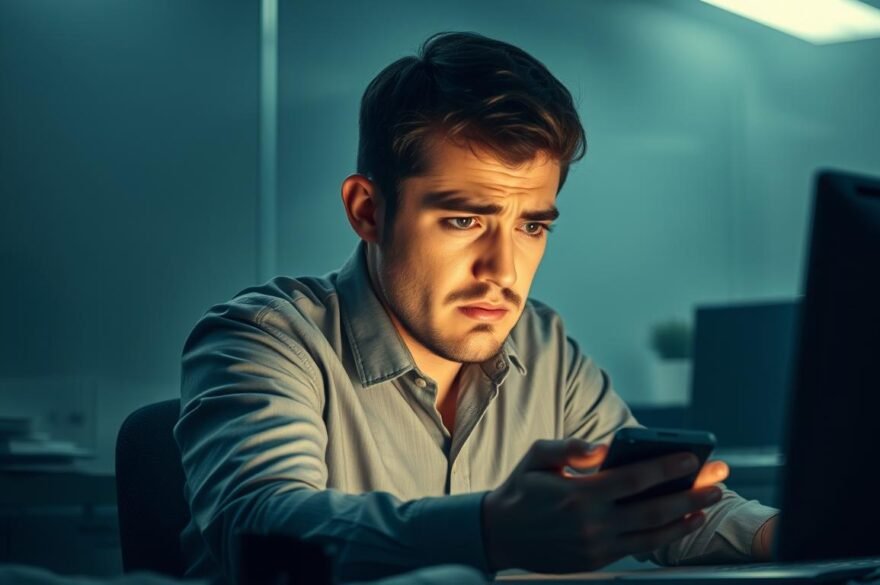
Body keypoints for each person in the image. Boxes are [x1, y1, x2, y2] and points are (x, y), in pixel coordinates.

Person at [174, 31, 779, 584]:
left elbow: (658, 503)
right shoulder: (265, 337)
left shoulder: (543, 346)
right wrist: (488, 532)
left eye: (532, 226)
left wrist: (787, 534)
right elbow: (256, 526)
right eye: (464, 220)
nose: (503, 271)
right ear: (367, 210)